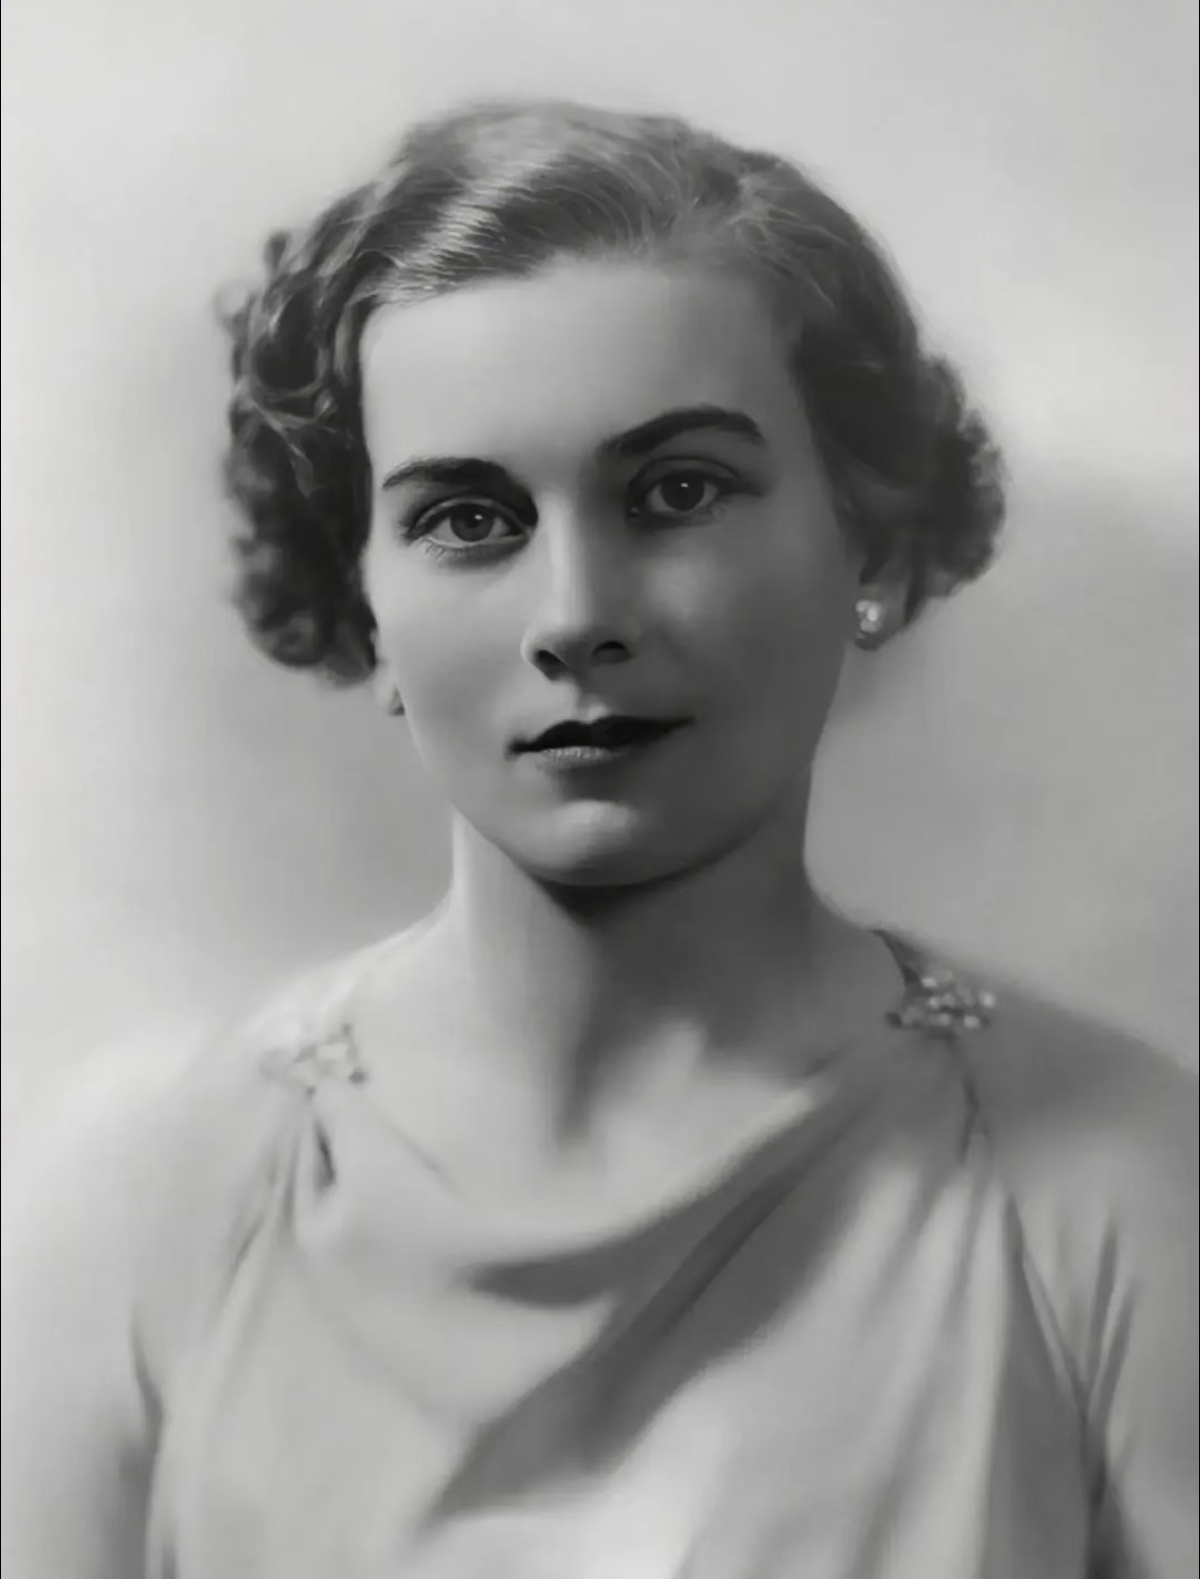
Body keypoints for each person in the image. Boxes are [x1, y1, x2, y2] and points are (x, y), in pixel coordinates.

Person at [1, 98, 1196, 1579]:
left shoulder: (1120, 1191)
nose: (576, 616)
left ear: (873, 549)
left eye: (677, 493)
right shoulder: (142, 1201)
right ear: (364, 605)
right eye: (468, 519)